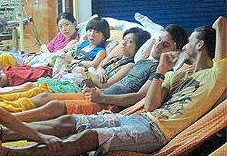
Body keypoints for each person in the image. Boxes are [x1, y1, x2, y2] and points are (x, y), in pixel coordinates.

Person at [0, 16, 227, 156]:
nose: (184, 47)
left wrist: (101, 92)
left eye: (189, 42)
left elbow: (221, 23)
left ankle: (11, 153)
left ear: (201, 44)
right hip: (142, 117)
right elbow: (152, 105)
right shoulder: (177, 74)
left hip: (159, 132)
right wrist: (162, 69)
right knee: (68, 121)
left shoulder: (216, 76)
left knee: (87, 137)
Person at [11, 24, 187, 122]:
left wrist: (102, 97)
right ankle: (4, 115)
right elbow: (113, 83)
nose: (157, 46)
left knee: (53, 105)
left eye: (165, 45)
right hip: (98, 95)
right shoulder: (143, 62)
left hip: (108, 105)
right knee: (45, 97)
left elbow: (139, 97)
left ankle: (7, 123)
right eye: (158, 41)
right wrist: (98, 90)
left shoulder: (161, 73)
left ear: (176, 52)